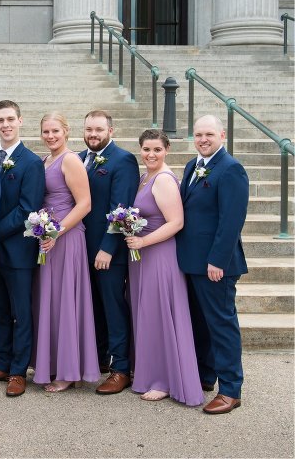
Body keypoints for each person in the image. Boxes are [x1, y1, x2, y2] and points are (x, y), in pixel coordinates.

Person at [125, 129, 203, 406]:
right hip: (142, 256)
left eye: (157, 149)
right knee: (147, 314)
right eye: (146, 149)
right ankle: (149, 372)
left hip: (159, 255)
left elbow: (176, 222)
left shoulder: (164, 179)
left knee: (160, 315)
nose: (151, 154)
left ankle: (164, 380)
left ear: (167, 149)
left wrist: (143, 241)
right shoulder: (144, 177)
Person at [177, 114, 249, 415]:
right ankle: (205, 376)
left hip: (215, 265)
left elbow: (231, 221)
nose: (203, 139)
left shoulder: (231, 169)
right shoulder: (192, 166)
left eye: (209, 134)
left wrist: (217, 260)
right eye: (198, 135)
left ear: (222, 135)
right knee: (200, 324)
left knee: (221, 325)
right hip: (190, 262)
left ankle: (230, 390)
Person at [0, 100, 45, 397]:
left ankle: (19, 371)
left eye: (10, 119)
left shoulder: (31, 162)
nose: (5, 125)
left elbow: (27, 208)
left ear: (20, 121)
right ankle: (2, 363)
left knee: (21, 313)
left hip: (18, 250)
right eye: (0, 120)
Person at [31, 112, 98, 392]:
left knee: (65, 300)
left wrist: (56, 232)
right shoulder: (45, 160)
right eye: (46, 131)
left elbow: (85, 204)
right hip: (47, 237)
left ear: (66, 131)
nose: (50, 136)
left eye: (55, 131)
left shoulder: (70, 160)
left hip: (66, 238)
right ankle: (51, 362)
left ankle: (68, 370)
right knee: (50, 299)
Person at [79, 109, 139, 395]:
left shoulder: (123, 160)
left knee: (113, 308)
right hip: (81, 249)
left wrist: (107, 248)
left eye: (99, 130)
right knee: (93, 307)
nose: (93, 134)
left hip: (107, 253)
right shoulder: (79, 158)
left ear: (110, 131)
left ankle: (121, 369)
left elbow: (121, 209)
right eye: (89, 129)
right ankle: (101, 358)